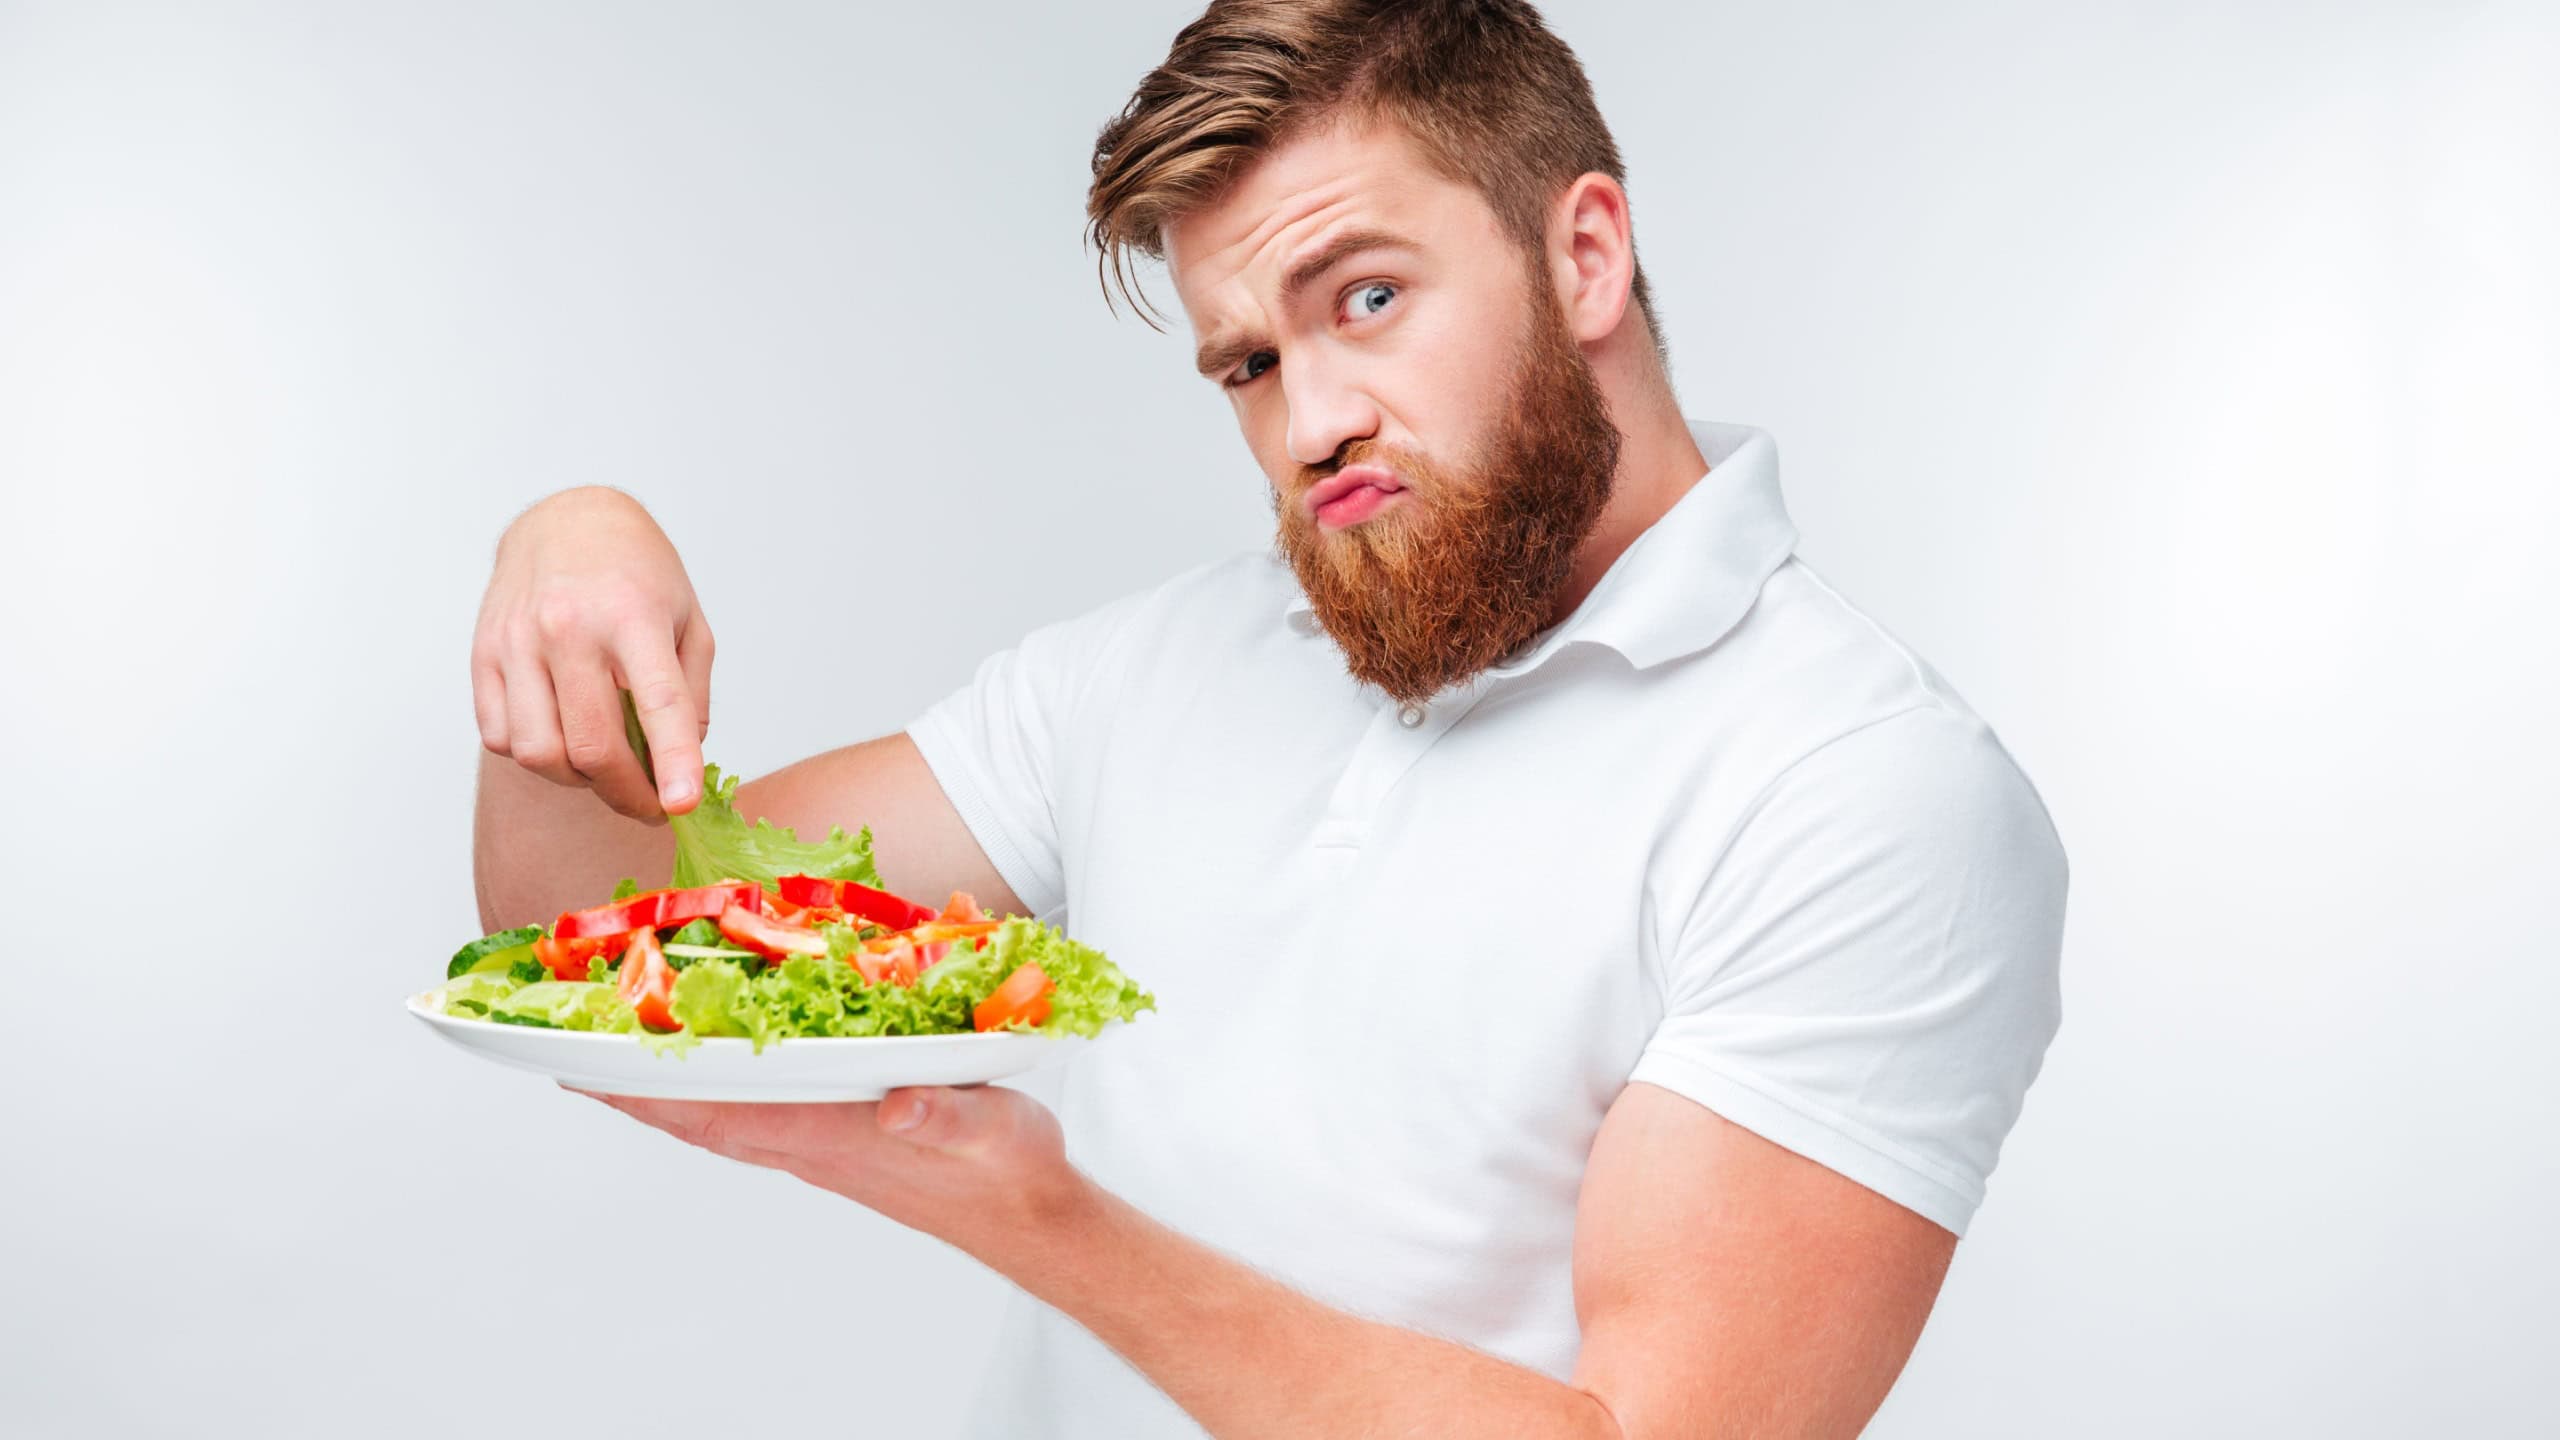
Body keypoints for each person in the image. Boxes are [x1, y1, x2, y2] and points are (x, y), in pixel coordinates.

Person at [467, 2, 2068, 1434]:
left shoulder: (1860, 788)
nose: (1309, 424)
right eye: (1245, 360)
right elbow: (589, 936)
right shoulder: (1149, 669)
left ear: (1584, 255)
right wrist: (565, 562)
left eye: (1365, 296)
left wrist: (1041, 1221)